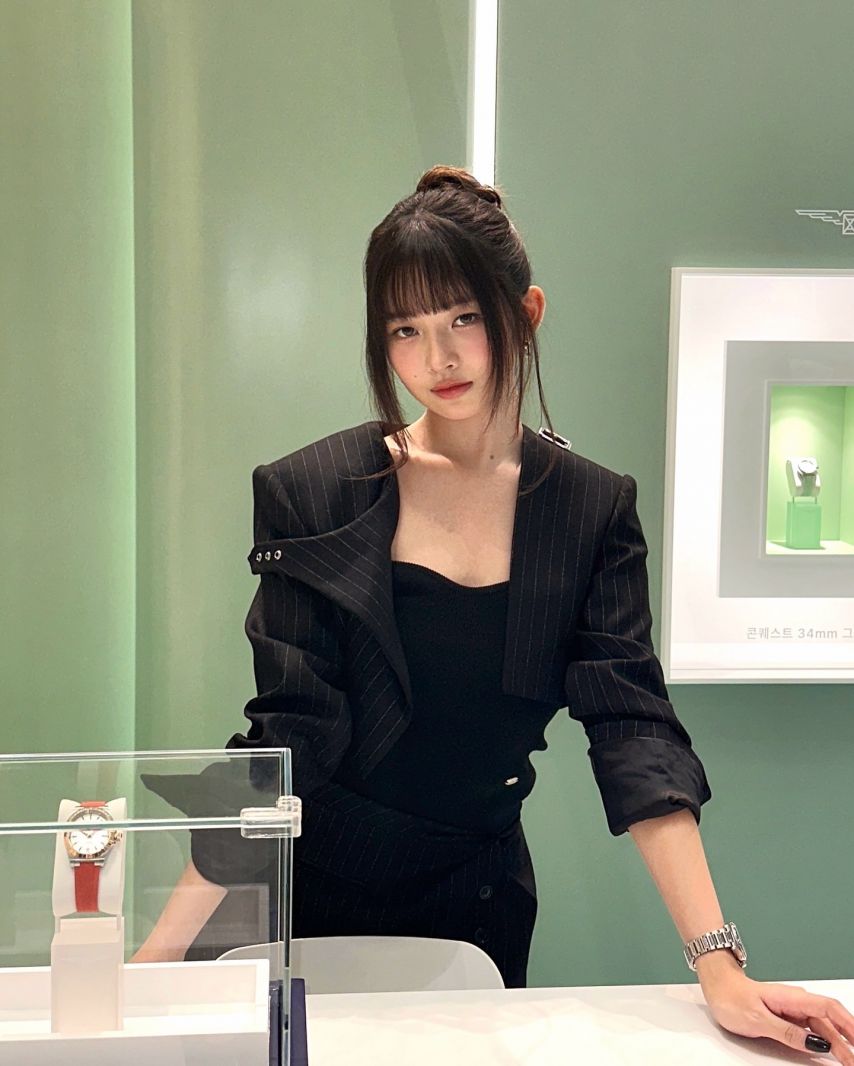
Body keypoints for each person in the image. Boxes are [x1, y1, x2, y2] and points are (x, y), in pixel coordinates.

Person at [138, 165, 854, 1061]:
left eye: (464, 319)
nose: (437, 359)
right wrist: (152, 966)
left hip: (471, 903)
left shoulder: (589, 510)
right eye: (404, 329)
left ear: (526, 314)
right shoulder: (315, 491)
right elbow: (285, 740)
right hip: (296, 892)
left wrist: (721, 968)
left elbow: (633, 733)